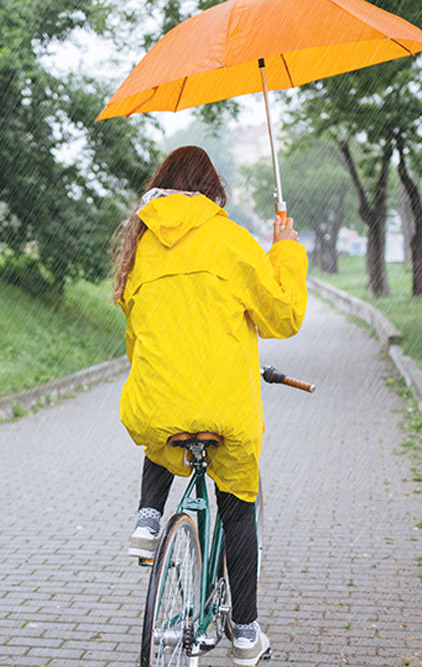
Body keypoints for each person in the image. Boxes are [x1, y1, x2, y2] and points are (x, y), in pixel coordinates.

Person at [112, 145, 307, 666]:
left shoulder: (143, 250)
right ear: (211, 190)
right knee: (238, 507)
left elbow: (137, 339)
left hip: (157, 402)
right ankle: (244, 634)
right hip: (224, 409)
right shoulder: (228, 240)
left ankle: (149, 519)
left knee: (164, 416)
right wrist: (284, 250)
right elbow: (282, 317)